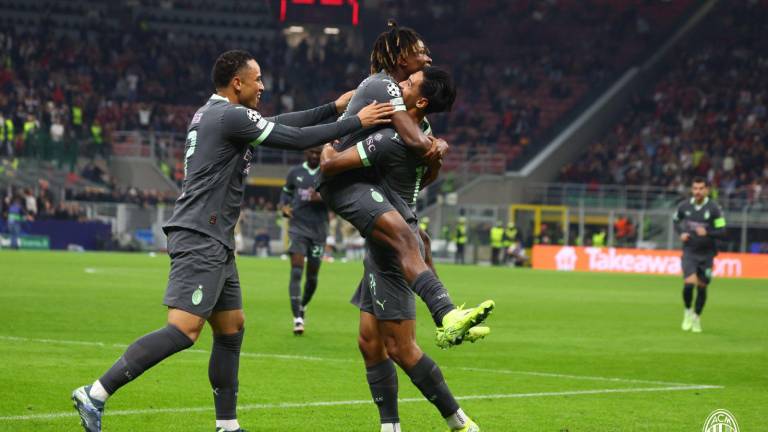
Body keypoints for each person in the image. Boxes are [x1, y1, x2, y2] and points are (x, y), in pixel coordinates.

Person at [71, 49, 393, 432]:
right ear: (237, 82)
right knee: (183, 330)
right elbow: (293, 137)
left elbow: (277, 122)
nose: (263, 86)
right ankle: (95, 392)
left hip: (214, 238)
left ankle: (227, 425)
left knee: (230, 328)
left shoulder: (216, 114)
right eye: (257, 79)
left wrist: (331, 108)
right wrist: (355, 120)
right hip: (200, 234)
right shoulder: (230, 115)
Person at [321, 67, 483, 432]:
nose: (399, 85)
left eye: (408, 84)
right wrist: (438, 149)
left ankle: (459, 422)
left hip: (392, 245)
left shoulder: (391, 139)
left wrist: (331, 139)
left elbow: (330, 165)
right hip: (392, 233)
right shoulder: (424, 139)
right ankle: (390, 426)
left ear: (420, 101)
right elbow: (426, 171)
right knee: (369, 341)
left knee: (401, 348)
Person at [317, 21, 493, 348]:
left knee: (419, 241)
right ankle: (446, 316)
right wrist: (435, 146)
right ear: (402, 60)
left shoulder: (411, 110)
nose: (427, 59)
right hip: (340, 177)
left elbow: (421, 173)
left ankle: (448, 318)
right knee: (405, 238)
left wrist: (433, 154)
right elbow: (416, 142)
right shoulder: (382, 85)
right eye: (421, 53)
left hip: (366, 182)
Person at [279, 146, 329, 335]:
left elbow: (338, 198)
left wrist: (322, 197)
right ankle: (297, 317)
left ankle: (303, 305)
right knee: (296, 270)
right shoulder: (295, 173)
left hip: (319, 230)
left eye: (318, 153)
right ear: (305, 153)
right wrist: (283, 206)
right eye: (312, 152)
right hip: (297, 228)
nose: (315, 156)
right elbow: (286, 192)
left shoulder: (328, 171)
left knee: (312, 277)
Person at [674, 177, 727, 333]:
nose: (697, 191)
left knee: (702, 287)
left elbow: (723, 231)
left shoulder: (714, 209)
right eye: (695, 188)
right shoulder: (684, 206)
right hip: (690, 251)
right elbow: (675, 221)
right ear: (692, 189)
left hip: (707, 254)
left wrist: (708, 232)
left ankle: (697, 317)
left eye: (701, 188)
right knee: (689, 284)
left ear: (707, 190)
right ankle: (687, 311)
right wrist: (681, 233)